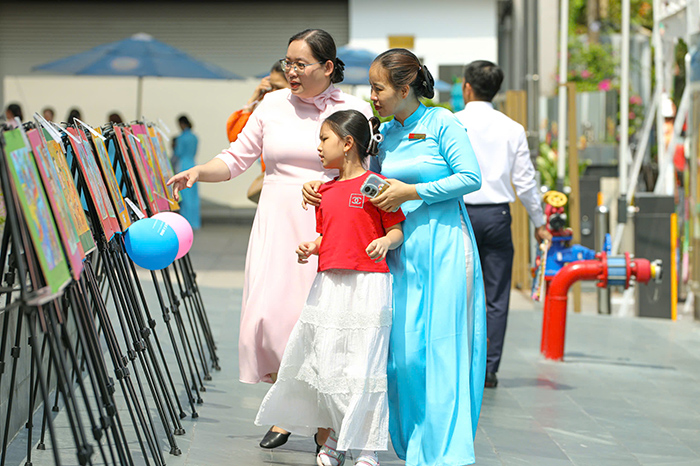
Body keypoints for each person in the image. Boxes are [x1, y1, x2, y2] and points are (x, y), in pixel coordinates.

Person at [167, 28, 372, 451]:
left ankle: (324, 426)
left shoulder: (354, 107)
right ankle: (288, 404)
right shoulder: (273, 104)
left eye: (301, 64)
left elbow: (366, 169)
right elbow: (236, 157)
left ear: (327, 67)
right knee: (269, 322)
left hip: (327, 221)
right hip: (277, 221)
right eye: (287, 63)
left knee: (321, 322)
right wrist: (199, 172)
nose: (291, 71)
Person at [303, 49, 487, 466]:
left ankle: (443, 452)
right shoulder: (382, 134)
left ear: (405, 89)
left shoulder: (442, 123)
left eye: (378, 88)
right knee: (402, 354)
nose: (372, 96)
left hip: (442, 246)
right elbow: (361, 181)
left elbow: (470, 177)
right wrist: (319, 188)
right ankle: (411, 442)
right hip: (396, 250)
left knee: (440, 349)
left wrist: (413, 191)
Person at [256, 109, 404, 466]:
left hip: (368, 283)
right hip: (328, 284)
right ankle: (337, 437)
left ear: (348, 143)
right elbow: (328, 234)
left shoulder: (376, 185)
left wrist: (386, 242)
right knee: (328, 362)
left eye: (324, 139)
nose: (319, 147)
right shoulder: (325, 190)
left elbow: (396, 230)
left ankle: (366, 448)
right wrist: (313, 246)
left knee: (364, 366)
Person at [455, 60, 550, 389]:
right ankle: (488, 368)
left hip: (459, 215)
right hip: (497, 216)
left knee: (458, 291)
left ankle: (458, 363)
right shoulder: (512, 128)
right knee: (495, 296)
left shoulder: (452, 123)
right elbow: (525, 181)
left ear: (467, 87)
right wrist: (539, 221)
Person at [225, 61, 290, 203]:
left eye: (278, 87)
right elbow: (237, 139)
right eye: (271, 87)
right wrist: (253, 100)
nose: (272, 93)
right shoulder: (268, 114)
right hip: (273, 189)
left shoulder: (304, 116)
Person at [172, 115, 201, 230]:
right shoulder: (195, 137)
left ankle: (186, 221)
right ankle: (195, 222)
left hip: (183, 165)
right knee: (193, 196)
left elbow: (178, 153)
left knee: (184, 196)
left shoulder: (181, 138)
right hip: (193, 164)